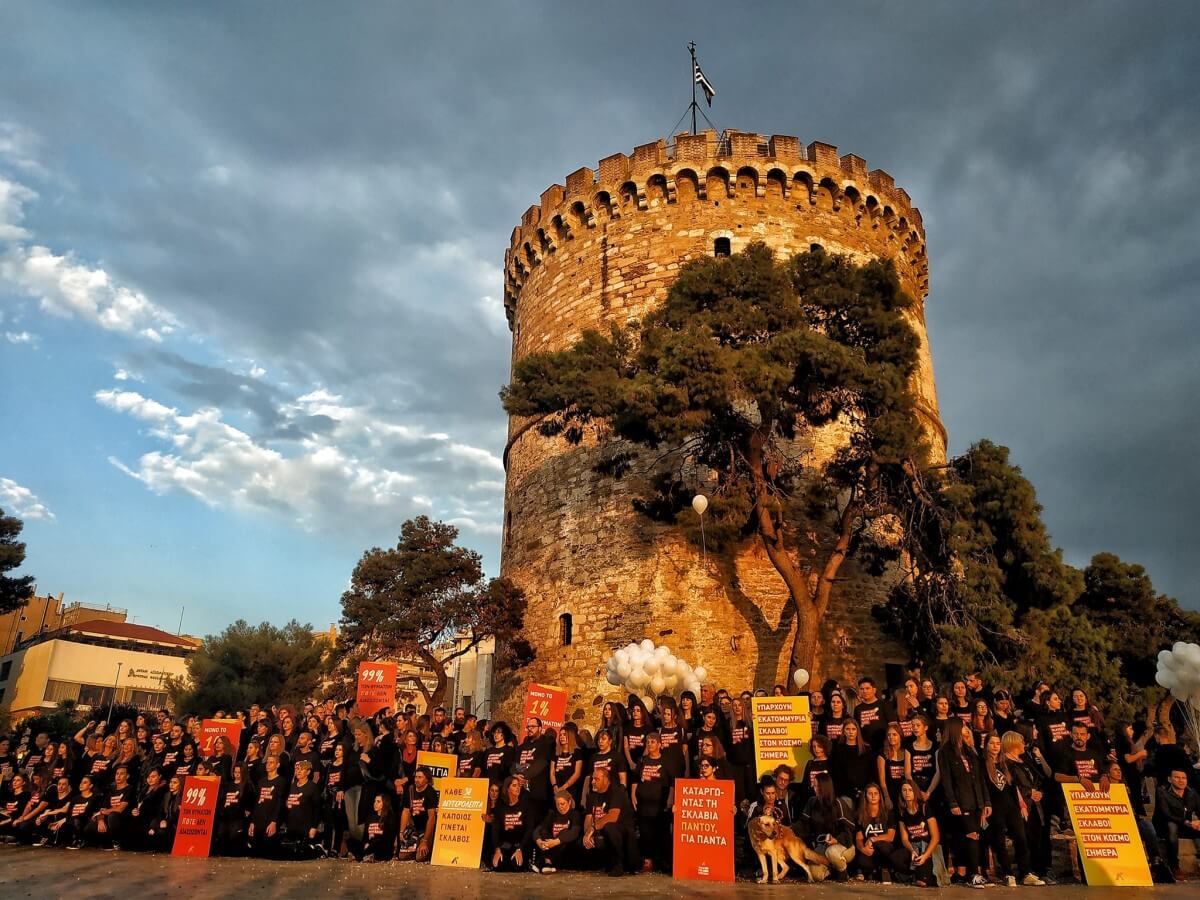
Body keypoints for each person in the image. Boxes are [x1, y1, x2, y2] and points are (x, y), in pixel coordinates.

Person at [937, 717, 989, 887]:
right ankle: (973, 874)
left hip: (976, 800)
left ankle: (969, 872)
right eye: (963, 727)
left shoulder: (969, 750)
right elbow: (946, 779)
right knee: (971, 834)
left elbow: (980, 779)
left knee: (975, 836)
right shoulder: (945, 752)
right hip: (961, 800)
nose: (966, 729)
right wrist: (953, 803)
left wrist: (985, 803)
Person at [984, 732, 1040, 885]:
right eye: (992, 743)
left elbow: (1014, 786)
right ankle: (1008, 873)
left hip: (1012, 805)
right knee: (999, 841)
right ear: (986, 745)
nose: (995, 746)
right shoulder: (983, 764)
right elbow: (981, 788)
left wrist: (1022, 804)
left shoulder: (1005, 763)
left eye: (998, 743)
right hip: (995, 807)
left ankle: (1026, 872)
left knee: (1021, 838)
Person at [582, 765, 639, 876]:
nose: (593, 782)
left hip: (622, 833)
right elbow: (588, 818)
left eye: (596, 779)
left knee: (609, 827)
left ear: (606, 780)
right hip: (601, 831)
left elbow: (613, 816)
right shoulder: (592, 795)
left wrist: (593, 828)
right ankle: (604, 863)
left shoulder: (616, 792)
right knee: (581, 843)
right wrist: (587, 834)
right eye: (593, 778)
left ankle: (619, 865)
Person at [631, 731, 675, 872]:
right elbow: (635, 780)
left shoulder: (666, 761)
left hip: (660, 805)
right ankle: (648, 861)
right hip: (643, 805)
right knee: (645, 834)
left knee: (662, 834)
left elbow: (672, 784)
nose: (650, 744)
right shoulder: (643, 761)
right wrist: (633, 795)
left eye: (653, 742)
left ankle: (663, 862)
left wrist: (670, 800)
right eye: (648, 742)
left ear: (660, 745)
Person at [799, 771, 856, 878]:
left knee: (832, 852)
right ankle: (832, 869)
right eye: (814, 785)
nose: (814, 788)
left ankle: (842, 872)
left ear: (824, 787)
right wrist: (786, 829)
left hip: (843, 845)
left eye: (817, 786)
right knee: (815, 875)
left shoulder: (838, 803)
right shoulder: (812, 802)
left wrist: (836, 839)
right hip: (822, 846)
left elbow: (849, 830)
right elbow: (803, 825)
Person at [1152, 768, 1200, 879]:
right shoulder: (1162, 792)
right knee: (1171, 826)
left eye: (1184, 778)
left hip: (1184, 827)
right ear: (1170, 779)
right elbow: (1166, 814)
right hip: (1164, 827)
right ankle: (1174, 866)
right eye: (1177, 777)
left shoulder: (1192, 793)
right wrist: (1188, 823)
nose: (1181, 780)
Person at [855, 782, 904, 882]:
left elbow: (890, 836)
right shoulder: (860, 814)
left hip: (885, 848)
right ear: (865, 796)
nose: (873, 796)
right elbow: (858, 838)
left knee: (882, 846)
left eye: (876, 793)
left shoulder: (888, 812)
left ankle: (885, 869)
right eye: (870, 793)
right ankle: (872, 872)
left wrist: (872, 839)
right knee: (862, 860)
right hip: (870, 849)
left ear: (880, 795)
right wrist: (863, 849)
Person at [896, 779, 941, 887]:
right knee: (895, 857)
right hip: (913, 847)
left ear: (915, 791)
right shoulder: (902, 811)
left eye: (910, 790)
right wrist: (911, 850)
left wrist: (925, 855)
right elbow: (905, 839)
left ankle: (918, 875)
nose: (907, 793)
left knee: (923, 882)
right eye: (904, 790)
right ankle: (912, 875)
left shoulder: (924, 807)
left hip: (927, 847)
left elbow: (935, 837)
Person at [532, 789, 582, 873]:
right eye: (558, 804)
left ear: (569, 802)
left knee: (564, 832)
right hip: (550, 847)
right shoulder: (552, 814)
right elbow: (537, 830)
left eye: (563, 804)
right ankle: (548, 863)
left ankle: (542, 861)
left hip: (565, 850)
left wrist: (555, 842)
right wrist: (539, 841)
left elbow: (574, 833)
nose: (560, 807)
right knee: (544, 832)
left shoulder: (575, 814)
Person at [492, 774, 535, 871]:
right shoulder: (501, 806)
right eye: (514, 786)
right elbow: (495, 829)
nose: (518, 788)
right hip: (505, 844)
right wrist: (497, 849)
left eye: (519, 786)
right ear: (507, 788)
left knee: (517, 866)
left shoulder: (526, 804)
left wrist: (521, 848)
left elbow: (530, 828)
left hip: (520, 845)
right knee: (498, 866)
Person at [281, 758, 322, 859]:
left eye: (301, 769)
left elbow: (318, 809)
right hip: (291, 828)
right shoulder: (292, 786)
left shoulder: (312, 787)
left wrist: (314, 827)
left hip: (305, 830)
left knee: (301, 855)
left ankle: (318, 849)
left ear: (308, 772)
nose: (298, 771)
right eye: (297, 769)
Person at [249, 753, 287, 857]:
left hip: (271, 819)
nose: (268, 765)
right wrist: (252, 822)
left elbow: (279, 803)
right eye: (267, 763)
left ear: (277, 765)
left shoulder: (281, 781)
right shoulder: (261, 782)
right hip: (259, 818)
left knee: (267, 848)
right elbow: (257, 802)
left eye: (271, 763)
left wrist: (274, 821)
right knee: (255, 849)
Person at [516, 718, 554, 821]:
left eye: (533, 726)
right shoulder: (522, 747)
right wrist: (517, 775)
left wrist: (524, 776)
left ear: (540, 728)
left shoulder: (546, 745)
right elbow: (515, 764)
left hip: (538, 793)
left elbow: (541, 763)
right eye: (528, 727)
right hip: (521, 793)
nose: (529, 729)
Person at [399, 766, 438, 862]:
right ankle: (415, 845)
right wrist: (401, 832)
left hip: (426, 829)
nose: (417, 779)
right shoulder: (410, 790)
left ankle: (425, 845)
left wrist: (425, 841)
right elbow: (406, 811)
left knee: (420, 857)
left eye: (420, 777)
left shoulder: (431, 792)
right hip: (414, 829)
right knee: (402, 856)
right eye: (416, 777)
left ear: (427, 779)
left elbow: (432, 818)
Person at [832, 720, 876, 803]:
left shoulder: (867, 749)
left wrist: (865, 790)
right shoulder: (838, 749)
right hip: (845, 793)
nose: (850, 732)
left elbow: (872, 772)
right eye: (847, 729)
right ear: (843, 731)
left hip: (865, 793)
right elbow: (837, 774)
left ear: (857, 731)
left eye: (853, 729)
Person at [878, 723, 911, 808]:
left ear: (900, 736)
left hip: (905, 793)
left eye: (894, 734)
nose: (891, 737)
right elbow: (882, 780)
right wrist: (886, 797)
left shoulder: (907, 752)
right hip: (890, 793)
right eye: (889, 735)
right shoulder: (882, 754)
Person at [359, 792, 397, 862]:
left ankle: (365, 856)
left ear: (385, 803)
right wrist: (366, 843)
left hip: (383, 847)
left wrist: (373, 840)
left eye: (378, 801)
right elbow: (365, 837)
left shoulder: (390, 818)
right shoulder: (370, 819)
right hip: (370, 845)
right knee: (352, 841)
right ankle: (366, 856)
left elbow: (389, 838)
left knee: (377, 842)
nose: (375, 803)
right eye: (374, 801)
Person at [551, 728, 585, 804]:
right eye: (560, 735)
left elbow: (577, 773)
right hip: (557, 787)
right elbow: (552, 772)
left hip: (571, 788)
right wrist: (554, 785)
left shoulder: (577, 752)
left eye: (564, 735)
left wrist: (564, 787)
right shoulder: (556, 752)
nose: (562, 737)